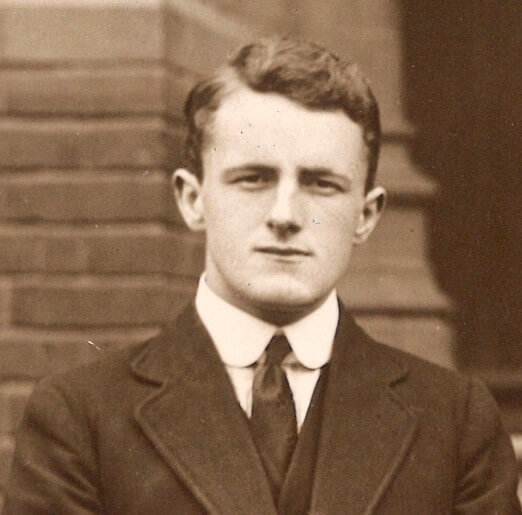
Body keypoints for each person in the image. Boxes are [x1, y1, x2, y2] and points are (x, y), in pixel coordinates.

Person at [4, 38, 521, 514]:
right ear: (192, 199)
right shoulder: (81, 419)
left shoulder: (455, 423)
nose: (285, 215)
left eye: (321, 184)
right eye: (253, 179)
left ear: (366, 215)